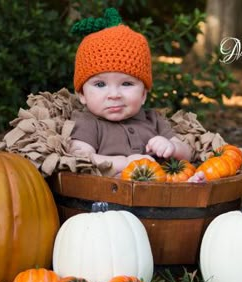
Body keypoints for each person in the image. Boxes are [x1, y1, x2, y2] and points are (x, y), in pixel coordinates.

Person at [69, 9, 205, 181]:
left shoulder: (153, 120)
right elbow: (81, 159)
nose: (114, 94)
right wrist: (125, 163)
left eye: (126, 84)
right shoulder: (87, 122)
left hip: (159, 190)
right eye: (100, 84)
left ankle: (188, 193)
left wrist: (171, 147)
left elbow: (187, 153)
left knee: (185, 175)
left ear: (143, 94)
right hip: (112, 195)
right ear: (82, 94)